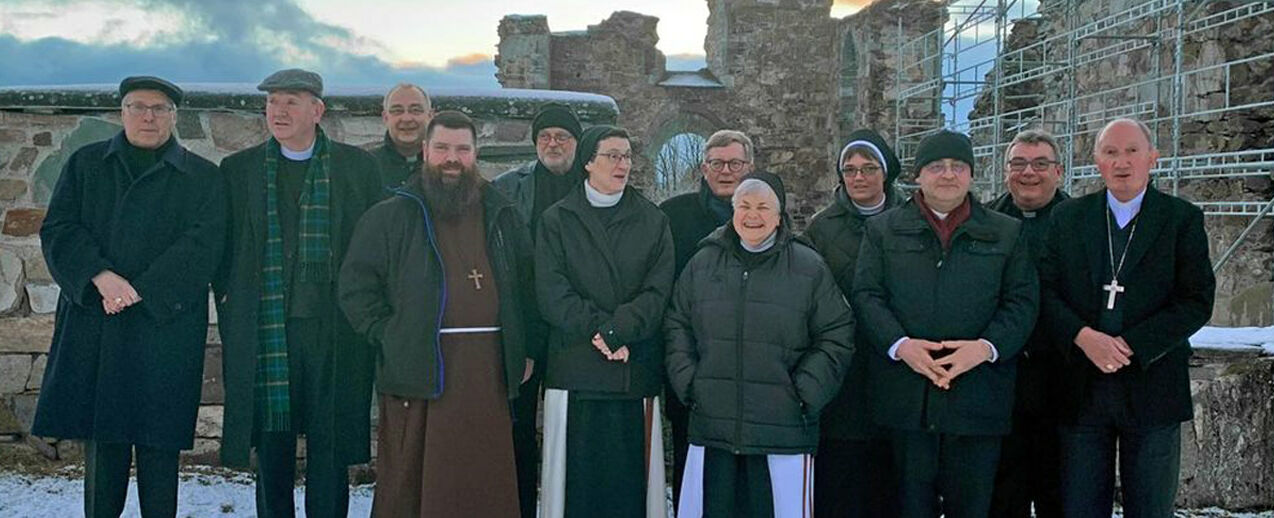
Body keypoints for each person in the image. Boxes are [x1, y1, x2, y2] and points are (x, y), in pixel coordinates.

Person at [32, 76, 226, 518]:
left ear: (174, 117)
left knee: (159, 449)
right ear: (122, 113)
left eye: (159, 109)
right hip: (98, 321)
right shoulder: (86, 164)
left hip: (165, 327)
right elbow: (60, 229)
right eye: (138, 107)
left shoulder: (202, 177)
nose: (148, 116)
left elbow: (205, 244)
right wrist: (101, 277)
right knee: (104, 449)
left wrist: (140, 289)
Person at [339, 110, 543, 516]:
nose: (453, 158)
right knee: (414, 487)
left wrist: (525, 346)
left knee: (483, 481)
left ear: (475, 154)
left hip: (487, 370)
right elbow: (355, 289)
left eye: (462, 149)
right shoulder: (390, 216)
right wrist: (390, 333)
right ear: (425, 152)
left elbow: (525, 287)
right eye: (443, 148)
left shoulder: (501, 215)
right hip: (421, 368)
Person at [214, 68, 382, 518]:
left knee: (329, 439)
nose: (279, 111)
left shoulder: (357, 168)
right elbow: (223, 248)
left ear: (317, 110)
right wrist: (231, 300)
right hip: (267, 327)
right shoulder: (239, 170)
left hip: (335, 328)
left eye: (291, 101)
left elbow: (375, 248)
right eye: (272, 102)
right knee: (272, 441)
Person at [851, 130, 1038, 518]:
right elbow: (868, 296)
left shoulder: (1006, 232)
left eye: (957, 166)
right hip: (906, 399)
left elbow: (1021, 302)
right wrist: (901, 345)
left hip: (977, 399)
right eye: (936, 166)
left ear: (971, 174)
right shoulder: (883, 230)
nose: (947, 175)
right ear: (919, 175)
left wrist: (984, 349)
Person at [1039, 118, 1214, 518]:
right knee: (1079, 507)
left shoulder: (1181, 219)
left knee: (1151, 508)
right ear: (1097, 161)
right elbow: (1045, 292)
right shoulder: (1068, 218)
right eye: (1111, 152)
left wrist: (1132, 345)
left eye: (1132, 151)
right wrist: (1083, 337)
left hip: (1153, 386)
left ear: (1152, 158)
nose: (1122, 162)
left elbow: (1196, 300)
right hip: (1081, 390)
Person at [666, 171, 854, 518]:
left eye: (763, 207)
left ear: (779, 214)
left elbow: (837, 333)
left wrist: (804, 393)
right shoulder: (702, 263)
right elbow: (677, 323)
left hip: (782, 433)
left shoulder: (808, 266)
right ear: (733, 210)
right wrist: (690, 382)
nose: (752, 215)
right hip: (713, 428)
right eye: (744, 205)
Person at [536, 125, 673, 518]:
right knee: (575, 491)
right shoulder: (557, 220)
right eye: (612, 155)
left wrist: (619, 331)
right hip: (575, 368)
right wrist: (601, 331)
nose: (622, 164)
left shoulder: (652, 220)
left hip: (633, 366)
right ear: (588, 163)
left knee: (629, 491)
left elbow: (658, 289)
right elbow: (551, 291)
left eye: (627, 156)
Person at [801, 129, 903, 518]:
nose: (858, 177)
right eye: (850, 169)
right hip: (843, 374)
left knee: (889, 486)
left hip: (896, 367)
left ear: (885, 172)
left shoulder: (911, 219)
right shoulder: (822, 229)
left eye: (869, 168)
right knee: (840, 485)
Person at [492, 102, 583, 517]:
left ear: (576, 144)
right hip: (524, 327)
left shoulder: (590, 186)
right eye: (545, 137)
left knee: (573, 431)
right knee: (517, 431)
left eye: (561, 136)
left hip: (575, 329)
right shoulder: (509, 187)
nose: (553, 143)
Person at [657, 129, 753, 506]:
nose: (726, 171)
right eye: (717, 163)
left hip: (753, 371)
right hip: (694, 366)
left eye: (735, 163)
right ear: (704, 168)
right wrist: (680, 369)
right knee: (692, 471)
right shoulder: (674, 216)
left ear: (749, 167)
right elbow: (664, 293)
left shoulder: (765, 212)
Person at [987, 128, 1070, 518]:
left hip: (1062, 382)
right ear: (1006, 172)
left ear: (1059, 171)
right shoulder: (985, 222)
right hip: (1001, 382)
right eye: (1018, 163)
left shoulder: (1080, 223)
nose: (1028, 173)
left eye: (1040, 164)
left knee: (1062, 493)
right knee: (1003, 495)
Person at [368, 82, 432, 193]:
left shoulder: (445, 165)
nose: (406, 119)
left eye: (415, 110)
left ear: (430, 116)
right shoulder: (367, 166)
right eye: (397, 111)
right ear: (385, 118)